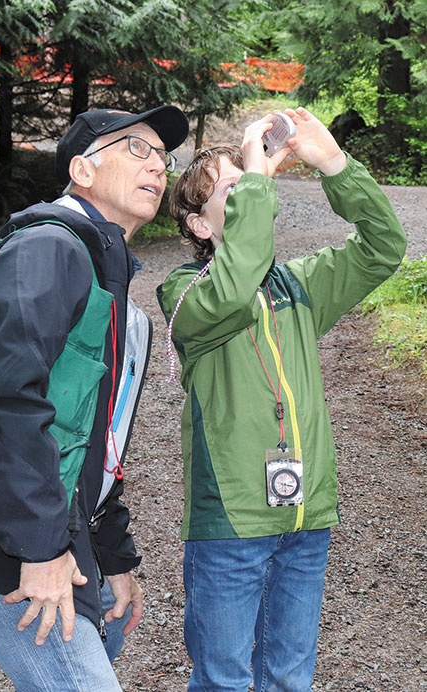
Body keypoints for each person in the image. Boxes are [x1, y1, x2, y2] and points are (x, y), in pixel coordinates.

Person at [0, 105, 189, 691]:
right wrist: (39, 550)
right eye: (137, 148)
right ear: (82, 169)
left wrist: (112, 559)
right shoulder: (48, 248)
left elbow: (95, 438)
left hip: (49, 520)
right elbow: (4, 400)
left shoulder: (109, 277)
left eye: (163, 157)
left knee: (98, 646)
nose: (157, 166)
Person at [156, 107, 406, 692]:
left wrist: (334, 165)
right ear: (198, 226)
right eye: (236, 185)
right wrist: (259, 179)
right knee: (221, 679)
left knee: (290, 678)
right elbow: (237, 280)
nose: (253, 187)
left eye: (254, 181)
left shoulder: (297, 286)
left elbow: (384, 247)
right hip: (231, 523)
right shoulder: (184, 296)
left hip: (305, 517)